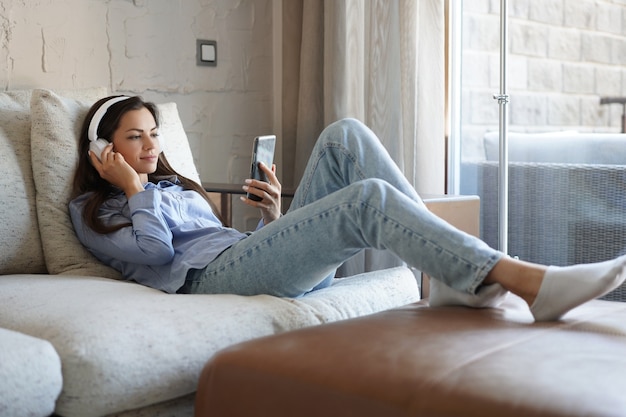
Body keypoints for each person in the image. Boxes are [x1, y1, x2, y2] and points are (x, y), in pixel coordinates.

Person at [69, 95, 626, 322]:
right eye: (135, 137)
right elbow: (158, 253)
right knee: (369, 200)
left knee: (344, 135)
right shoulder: (93, 212)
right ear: (102, 150)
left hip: (244, 261)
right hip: (209, 284)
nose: (151, 147)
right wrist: (132, 190)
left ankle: (455, 274)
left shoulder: (173, 189)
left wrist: (275, 223)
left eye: (154, 134)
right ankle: (524, 282)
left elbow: (226, 244)